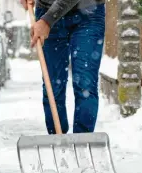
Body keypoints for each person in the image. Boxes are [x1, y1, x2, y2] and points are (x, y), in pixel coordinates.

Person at [21, 0, 106, 134]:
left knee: (85, 84)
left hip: (88, 13)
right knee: (53, 86)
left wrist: (48, 20)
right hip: (47, 11)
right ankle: (58, 143)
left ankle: (82, 144)